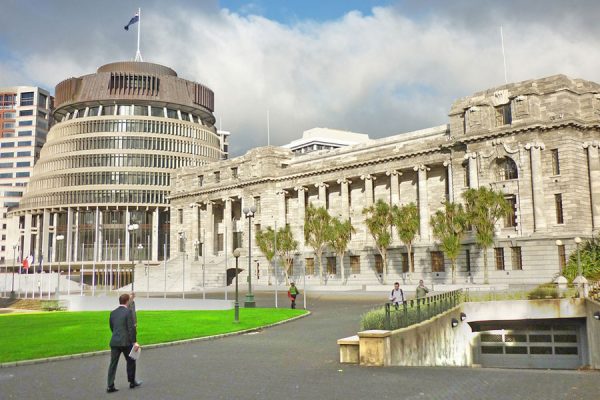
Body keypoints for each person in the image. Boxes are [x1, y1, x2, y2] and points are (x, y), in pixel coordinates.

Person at [107, 293, 142, 393]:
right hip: (126, 342)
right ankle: (132, 382)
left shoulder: (112, 313)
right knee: (131, 360)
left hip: (115, 341)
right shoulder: (128, 312)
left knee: (113, 364)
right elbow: (131, 328)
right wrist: (134, 342)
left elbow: (112, 327)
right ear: (127, 301)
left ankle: (110, 385)